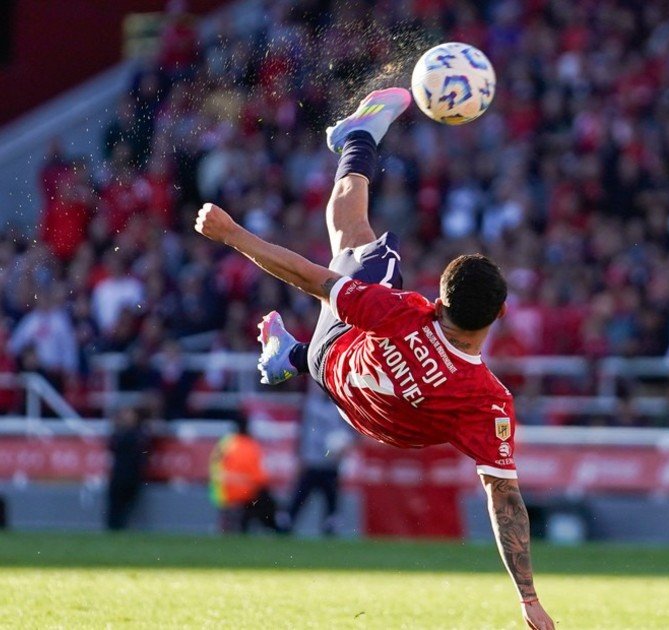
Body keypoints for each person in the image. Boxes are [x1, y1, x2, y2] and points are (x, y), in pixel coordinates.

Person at [193, 88, 554, 630]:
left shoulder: (405, 311)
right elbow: (505, 501)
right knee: (354, 247)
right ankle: (286, 352)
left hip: (333, 358)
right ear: (500, 312)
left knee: (359, 242)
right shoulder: (488, 402)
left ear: (440, 297)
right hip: (361, 412)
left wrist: (231, 234)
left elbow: (308, 278)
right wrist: (528, 599)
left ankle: (356, 138)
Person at [281, 383, 353, 536]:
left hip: (330, 462)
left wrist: (345, 444)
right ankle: (287, 522)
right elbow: (302, 432)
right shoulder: (310, 404)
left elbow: (350, 433)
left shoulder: (340, 406)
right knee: (300, 496)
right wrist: (299, 455)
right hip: (312, 460)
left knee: (331, 499)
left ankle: (330, 525)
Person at [210, 416, 281, 534]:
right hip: (243, 495)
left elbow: (213, 468)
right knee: (265, 499)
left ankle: (229, 524)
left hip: (221, 494)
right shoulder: (251, 446)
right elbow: (261, 478)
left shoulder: (223, 444)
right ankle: (273, 528)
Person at [106, 407, 151, 531]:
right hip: (119, 473)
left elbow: (143, 451)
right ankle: (113, 528)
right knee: (115, 505)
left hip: (133, 474)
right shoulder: (119, 433)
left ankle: (120, 527)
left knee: (127, 505)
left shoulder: (139, 433)